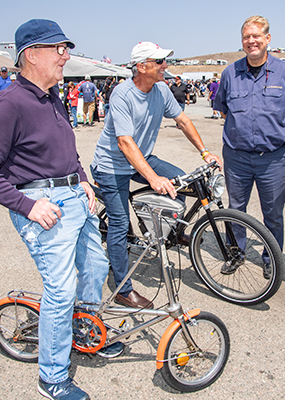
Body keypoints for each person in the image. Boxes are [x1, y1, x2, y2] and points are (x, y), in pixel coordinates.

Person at [0, 19, 122, 400]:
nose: (66, 56)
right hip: (43, 206)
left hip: (73, 197)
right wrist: (27, 206)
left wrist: (81, 178)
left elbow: (64, 147)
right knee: (61, 291)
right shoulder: (9, 103)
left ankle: (83, 330)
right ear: (30, 55)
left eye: (66, 48)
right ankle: (52, 378)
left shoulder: (53, 95)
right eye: (57, 49)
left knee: (96, 267)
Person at [91, 41, 221, 309]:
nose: (165, 66)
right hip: (112, 165)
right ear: (141, 67)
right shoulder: (122, 95)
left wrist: (204, 151)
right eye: (159, 62)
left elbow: (183, 121)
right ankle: (123, 290)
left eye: (165, 61)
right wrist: (152, 178)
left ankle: (171, 231)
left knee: (186, 183)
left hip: (143, 156)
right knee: (118, 223)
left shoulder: (161, 89)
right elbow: (125, 142)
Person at [214, 15, 285, 277]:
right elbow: (224, 111)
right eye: (246, 37)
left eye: (256, 36)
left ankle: (272, 257)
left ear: (268, 39)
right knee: (235, 210)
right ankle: (236, 253)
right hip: (237, 158)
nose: (251, 41)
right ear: (242, 41)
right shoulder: (230, 73)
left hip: (273, 159)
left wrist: (274, 131)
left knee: (273, 214)